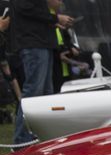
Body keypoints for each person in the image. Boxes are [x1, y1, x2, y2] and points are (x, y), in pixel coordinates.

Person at [10, 0, 73, 145]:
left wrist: (52, 22)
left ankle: (41, 136)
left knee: (45, 93)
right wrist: (56, 18)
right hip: (33, 44)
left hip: (41, 43)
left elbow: (32, 13)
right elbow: (25, 8)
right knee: (33, 92)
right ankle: (21, 140)